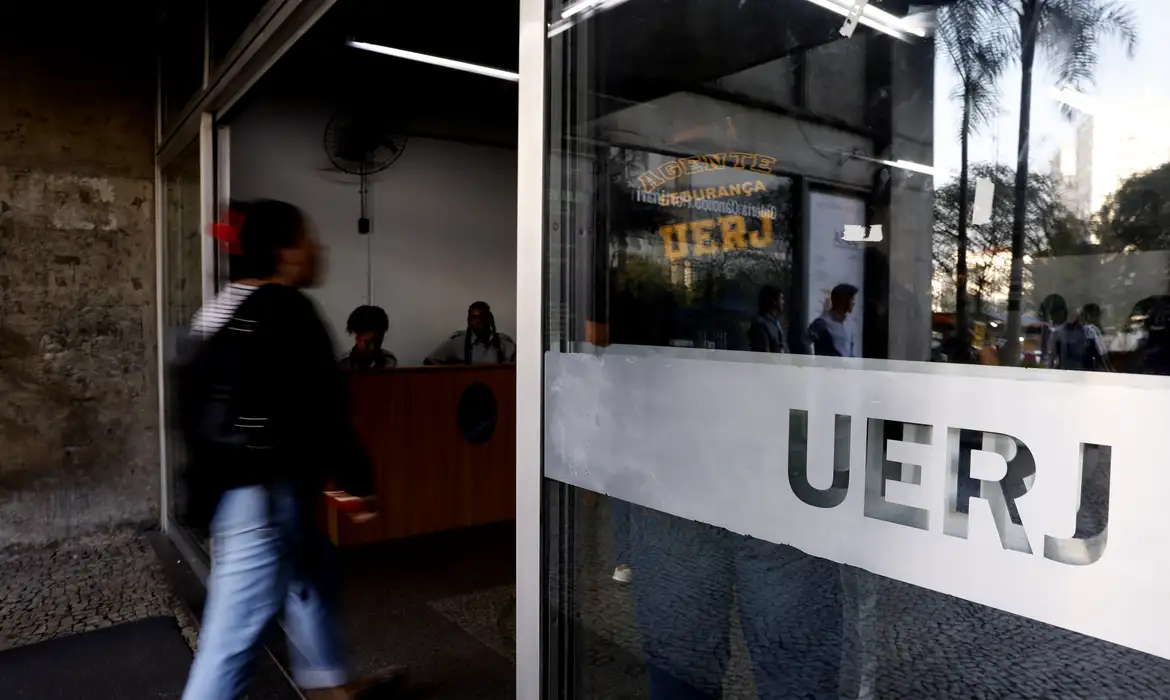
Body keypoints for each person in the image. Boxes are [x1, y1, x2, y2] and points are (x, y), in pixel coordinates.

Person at [176, 200, 396, 700]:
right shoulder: (287, 308)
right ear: (285, 253)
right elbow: (324, 406)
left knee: (314, 575)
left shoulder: (218, 311)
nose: (318, 249)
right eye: (308, 239)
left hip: (246, 491)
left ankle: (333, 685)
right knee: (230, 642)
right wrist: (357, 482)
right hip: (265, 498)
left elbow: (193, 408)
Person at [425, 301, 516, 365]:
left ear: (489, 319)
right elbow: (429, 362)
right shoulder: (457, 343)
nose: (478, 321)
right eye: (473, 317)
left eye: (481, 316)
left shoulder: (503, 343)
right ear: (468, 321)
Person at [339, 305, 398, 370]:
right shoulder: (344, 364)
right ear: (357, 338)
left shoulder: (389, 361)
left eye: (377, 343)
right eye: (368, 343)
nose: (372, 348)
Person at [807, 283, 858, 357]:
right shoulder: (822, 323)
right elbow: (804, 342)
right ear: (843, 300)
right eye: (851, 299)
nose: (854, 303)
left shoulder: (849, 324)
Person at [748, 285, 789, 353]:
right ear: (774, 301)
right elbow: (763, 352)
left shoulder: (777, 323)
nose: (783, 302)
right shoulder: (760, 324)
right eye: (781, 298)